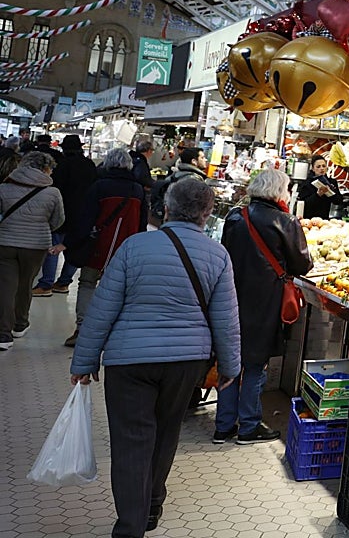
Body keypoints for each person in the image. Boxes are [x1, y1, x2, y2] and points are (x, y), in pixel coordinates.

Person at [70, 178, 240, 538]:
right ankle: (152, 504)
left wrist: (84, 361)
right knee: (166, 432)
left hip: (128, 361)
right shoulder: (217, 255)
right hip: (185, 363)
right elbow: (226, 318)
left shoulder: (134, 247)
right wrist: (230, 366)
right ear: (208, 215)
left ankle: (130, 525)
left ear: (165, 208)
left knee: (132, 439)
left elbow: (103, 307)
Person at [215, 168, 312, 444]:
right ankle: (248, 426)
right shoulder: (285, 221)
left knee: (230, 360)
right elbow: (302, 264)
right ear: (280, 191)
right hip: (266, 301)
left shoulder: (235, 216)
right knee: (256, 364)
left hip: (231, 297)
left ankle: (223, 426)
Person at [64, 147, 149, 347]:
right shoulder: (138, 191)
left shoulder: (99, 186)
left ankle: (82, 329)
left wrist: (71, 242)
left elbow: (85, 218)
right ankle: (110, 333)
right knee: (117, 291)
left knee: (87, 284)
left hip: (97, 247)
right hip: (125, 251)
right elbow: (141, 224)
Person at [0, 151, 65, 350]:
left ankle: (3, 334)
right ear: (46, 169)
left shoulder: (3, 187)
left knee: (5, 286)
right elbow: (58, 221)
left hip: (5, 243)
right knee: (26, 283)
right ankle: (20, 324)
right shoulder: (53, 193)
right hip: (36, 246)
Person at [32, 134, 97, 296]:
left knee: (53, 247)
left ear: (64, 148)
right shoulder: (90, 165)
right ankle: (63, 283)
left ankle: (46, 284)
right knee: (75, 247)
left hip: (63, 211)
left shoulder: (62, 164)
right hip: (84, 213)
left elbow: (55, 189)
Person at [149, 147, 207, 226]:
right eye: (202, 157)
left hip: (170, 221)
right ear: (194, 161)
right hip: (182, 224)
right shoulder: (192, 180)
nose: (205, 160)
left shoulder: (176, 174)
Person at [296, 155, 341, 219]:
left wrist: (331, 191)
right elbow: (303, 204)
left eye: (324, 166)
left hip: (324, 219)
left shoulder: (332, 182)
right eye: (318, 167)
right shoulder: (307, 183)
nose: (321, 168)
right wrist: (318, 195)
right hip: (308, 219)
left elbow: (338, 201)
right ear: (313, 169)